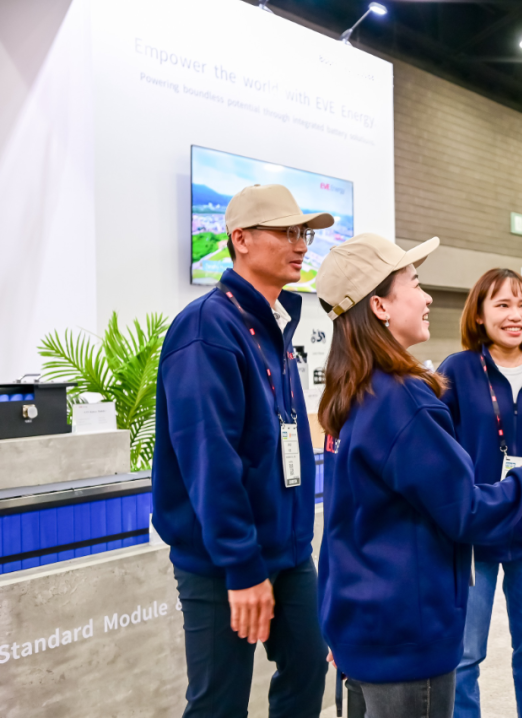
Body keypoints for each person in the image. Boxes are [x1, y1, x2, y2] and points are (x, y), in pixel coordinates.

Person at [314, 234, 522, 718]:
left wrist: (334, 621)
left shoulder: (353, 391)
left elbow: (339, 527)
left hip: (367, 624)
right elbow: (466, 512)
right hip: (406, 632)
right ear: (379, 305)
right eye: (416, 284)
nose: (427, 298)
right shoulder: (406, 401)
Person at [152, 184, 332, 716]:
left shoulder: (275, 325)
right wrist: (242, 564)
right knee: (219, 703)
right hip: (221, 562)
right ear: (241, 239)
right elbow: (210, 458)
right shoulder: (207, 327)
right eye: (286, 231)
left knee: (307, 670)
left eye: (304, 234)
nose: (300, 244)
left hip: (289, 552)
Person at [437, 268, 522, 718]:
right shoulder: (456, 371)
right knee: (465, 654)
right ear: (479, 314)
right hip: (475, 530)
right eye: (502, 305)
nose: (516, 315)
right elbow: (441, 452)